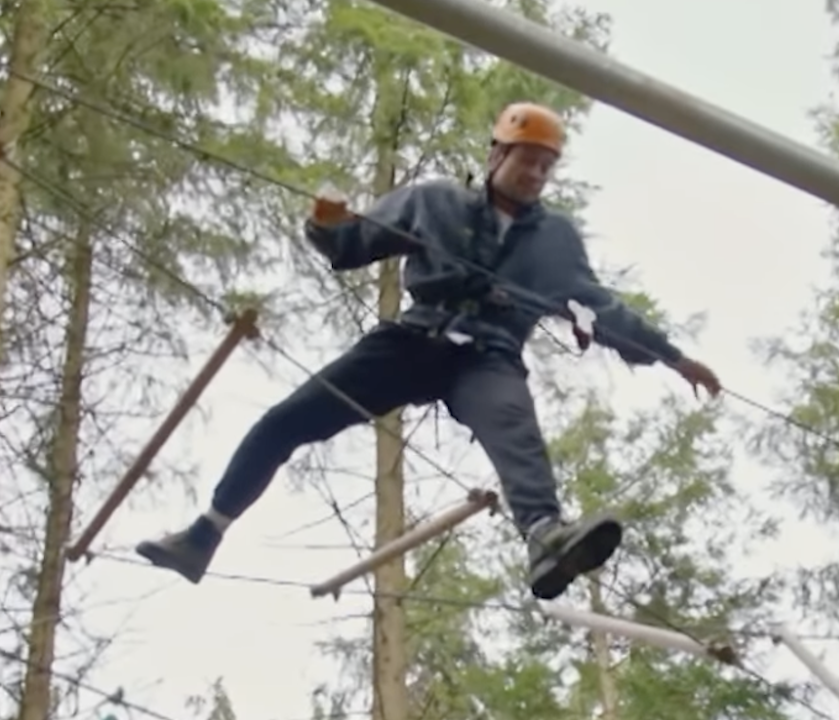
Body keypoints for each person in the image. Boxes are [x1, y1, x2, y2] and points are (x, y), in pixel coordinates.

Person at [135, 102, 722, 601]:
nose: (536, 175)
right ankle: (203, 536)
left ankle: (546, 537)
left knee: (513, 425)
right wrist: (326, 223)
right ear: (496, 154)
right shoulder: (435, 201)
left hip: (488, 355)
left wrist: (671, 356)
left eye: (546, 167)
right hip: (413, 340)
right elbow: (354, 243)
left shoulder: (555, 241)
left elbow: (598, 305)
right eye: (527, 161)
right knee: (288, 420)